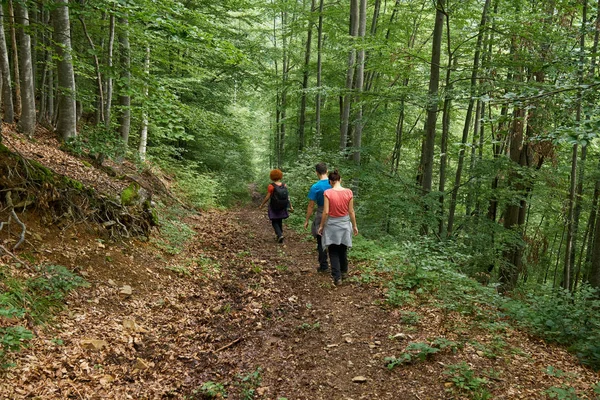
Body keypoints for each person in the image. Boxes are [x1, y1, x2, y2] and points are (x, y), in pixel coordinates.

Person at [318, 170, 358, 286]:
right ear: (340, 180)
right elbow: (351, 211)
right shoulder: (349, 192)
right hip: (345, 225)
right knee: (343, 249)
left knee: (333, 251)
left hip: (332, 226)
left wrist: (321, 226)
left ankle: (337, 277)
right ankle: (344, 272)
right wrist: (354, 226)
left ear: (330, 181)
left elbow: (325, 212)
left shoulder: (328, 193)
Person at [304, 162, 331, 272]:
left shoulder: (315, 187)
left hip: (321, 213)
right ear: (327, 171)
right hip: (335, 214)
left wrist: (306, 220)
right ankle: (337, 266)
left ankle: (324, 265)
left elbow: (311, 205)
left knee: (321, 240)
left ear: (316, 172)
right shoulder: (334, 184)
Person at [259, 169, 294, 243]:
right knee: (280, 219)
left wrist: (262, 204)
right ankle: (279, 235)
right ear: (280, 176)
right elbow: (287, 197)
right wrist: (290, 206)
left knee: (274, 220)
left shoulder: (271, 186)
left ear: (271, 177)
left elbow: (267, 197)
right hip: (283, 206)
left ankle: (280, 234)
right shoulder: (284, 185)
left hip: (274, 206)